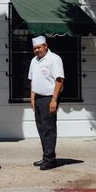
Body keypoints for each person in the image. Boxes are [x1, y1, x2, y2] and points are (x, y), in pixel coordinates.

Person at [28, 35, 64, 171]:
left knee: (48, 128)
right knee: (41, 128)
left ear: (46, 46)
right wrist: (32, 98)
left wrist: (54, 99)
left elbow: (59, 80)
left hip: (49, 98)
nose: (37, 50)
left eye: (39, 47)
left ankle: (50, 160)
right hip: (37, 98)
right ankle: (47, 156)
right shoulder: (34, 61)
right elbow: (32, 80)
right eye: (35, 48)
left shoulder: (54, 59)